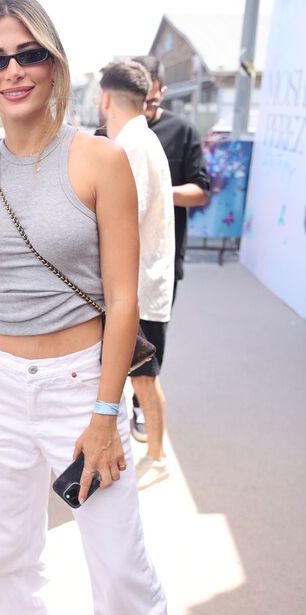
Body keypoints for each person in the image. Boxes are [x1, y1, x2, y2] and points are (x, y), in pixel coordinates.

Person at [0, 0, 233, 615]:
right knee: (3, 547)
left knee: (120, 561)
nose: (13, 71)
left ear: (54, 62)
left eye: (28, 53)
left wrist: (107, 414)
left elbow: (122, 298)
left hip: (81, 384)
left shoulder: (99, 158)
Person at [98, 61, 174, 489]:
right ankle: (148, 453)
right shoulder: (138, 139)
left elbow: (124, 217)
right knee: (137, 378)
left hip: (140, 287)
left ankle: (157, 456)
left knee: (144, 378)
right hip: (141, 283)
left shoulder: (132, 146)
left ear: (106, 99)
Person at [130, 54, 210, 443]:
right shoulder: (108, 133)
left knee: (148, 348)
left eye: (150, 100)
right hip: (110, 261)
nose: (144, 109)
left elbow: (200, 191)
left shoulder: (182, 130)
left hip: (159, 262)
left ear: (161, 91)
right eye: (136, 100)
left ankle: (141, 410)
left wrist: (158, 189)